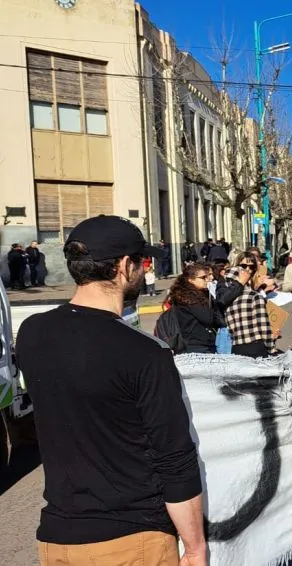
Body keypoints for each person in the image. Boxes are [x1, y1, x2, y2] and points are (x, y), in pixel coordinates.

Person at [15, 215, 205, 565]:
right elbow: (174, 459)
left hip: (57, 539)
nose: (144, 270)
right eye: (142, 262)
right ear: (124, 266)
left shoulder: (32, 333)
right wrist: (195, 548)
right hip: (132, 539)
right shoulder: (146, 353)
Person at [165, 262, 225, 354]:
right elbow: (207, 318)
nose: (207, 280)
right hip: (194, 344)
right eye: (203, 278)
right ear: (191, 280)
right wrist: (209, 297)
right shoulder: (188, 296)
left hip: (204, 342)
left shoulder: (199, 293)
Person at [225, 254, 275, 358]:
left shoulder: (227, 298)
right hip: (256, 345)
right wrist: (271, 349)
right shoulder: (254, 297)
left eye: (252, 267)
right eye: (243, 266)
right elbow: (264, 326)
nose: (248, 270)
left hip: (236, 347)